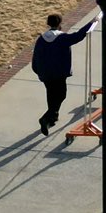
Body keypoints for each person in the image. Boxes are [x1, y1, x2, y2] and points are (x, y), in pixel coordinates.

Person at [32, 9, 99, 137]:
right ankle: (46, 117)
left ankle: (52, 118)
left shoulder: (41, 39)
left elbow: (35, 56)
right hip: (58, 73)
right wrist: (91, 23)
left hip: (45, 73)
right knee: (62, 94)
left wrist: (37, 70)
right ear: (60, 23)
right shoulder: (61, 38)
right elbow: (78, 36)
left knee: (51, 95)